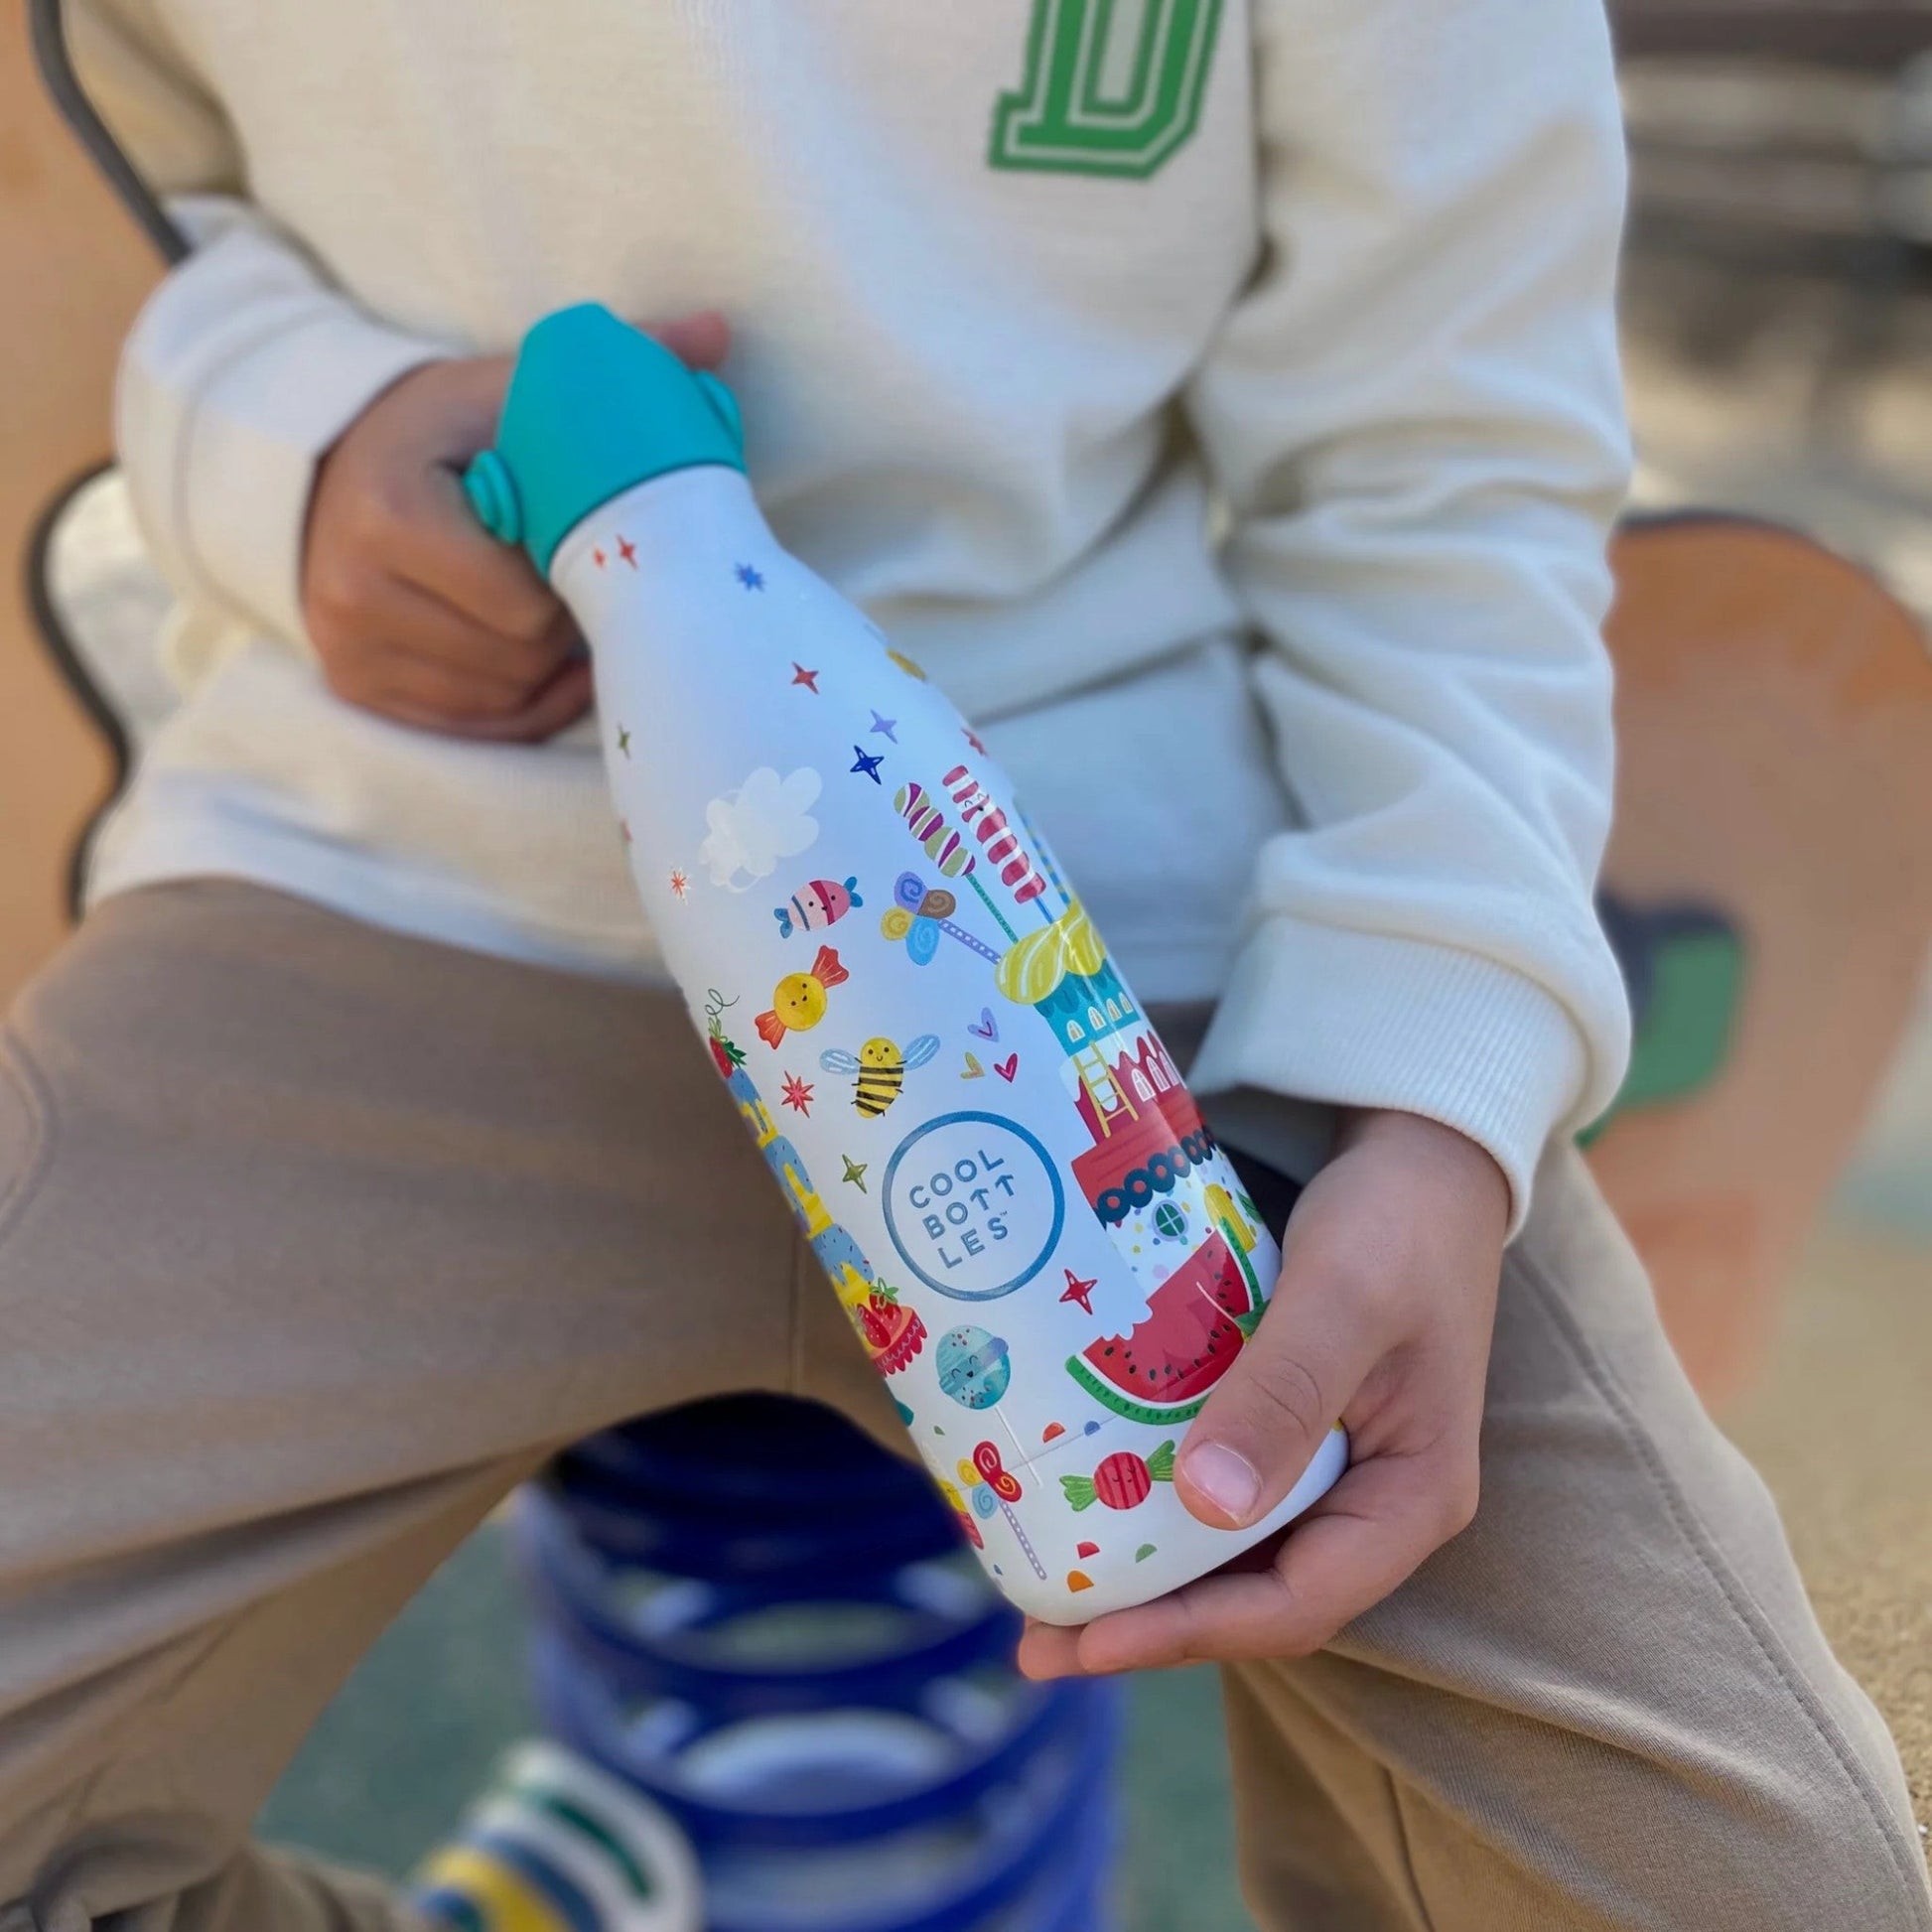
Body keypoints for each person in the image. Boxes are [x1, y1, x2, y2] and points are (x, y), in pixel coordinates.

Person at [3, 1, 1927, 1928]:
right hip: (382, 870)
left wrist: (1432, 1087)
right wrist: (283, 449)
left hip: (1129, 946)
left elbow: (1449, 441)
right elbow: (102, 189)